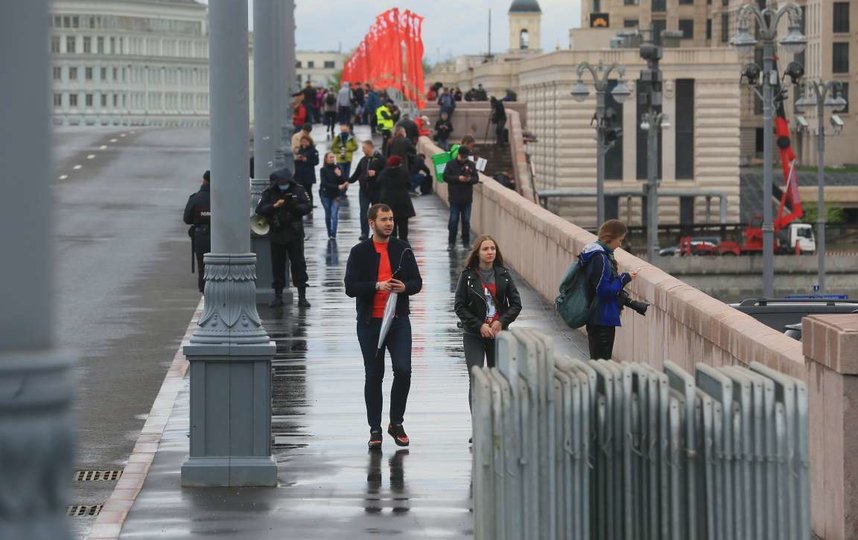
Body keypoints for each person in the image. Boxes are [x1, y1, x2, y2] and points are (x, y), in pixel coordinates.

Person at [344, 203, 423, 449]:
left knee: (403, 370)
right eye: (384, 220)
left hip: (398, 321)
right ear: (372, 223)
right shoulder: (359, 252)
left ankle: (396, 422)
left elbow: (416, 282)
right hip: (370, 323)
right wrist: (377, 286)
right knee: (374, 375)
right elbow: (350, 287)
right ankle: (375, 429)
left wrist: (404, 287)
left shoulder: (403, 249)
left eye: (391, 219)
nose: (389, 223)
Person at [454, 235, 522, 409]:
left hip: (498, 334)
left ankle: (496, 424)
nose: (490, 252)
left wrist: (501, 322)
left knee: (498, 379)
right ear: (477, 253)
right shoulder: (468, 276)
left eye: (492, 248)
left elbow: (516, 304)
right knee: (476, 378)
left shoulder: (503, 275)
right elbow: (459, 306)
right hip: (474, 334)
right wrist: (479, 325)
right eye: (485, 249)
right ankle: (478, 426)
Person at [579, 219, 639, 359]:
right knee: (602, 364)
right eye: (619, 240)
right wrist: (624, 278)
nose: (620, 244)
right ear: (609, 238)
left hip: (597, 317)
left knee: (598, 363)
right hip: (602, 318)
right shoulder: (600, 258)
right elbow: (604, 290)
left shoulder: (594, 253)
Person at [256, 168, 312, 308]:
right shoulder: (269, 192)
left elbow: (307, 207)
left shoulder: (298, 190)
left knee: (298, 264)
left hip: (294, 233)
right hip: (277, 232)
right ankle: (278, 296)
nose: (283, 184)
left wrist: (293, 205)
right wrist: (275, 206)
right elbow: (260, 209)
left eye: (285, 182)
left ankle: (302, 296)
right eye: (281, 182)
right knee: (277, 266)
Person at [442, 146, 480, 251]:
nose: (463, 159)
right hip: (454, 197)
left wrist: (469, 179)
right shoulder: (451, 164)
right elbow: (445, 177)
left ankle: (466, 243)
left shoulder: (471, 165)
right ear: (458, 154)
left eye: (465, 157)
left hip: (467, 198)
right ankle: (451, 242)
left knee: (466, 221)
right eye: (462, 156)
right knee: (453, 220)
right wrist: (458, 178)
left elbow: (476, 178)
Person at [350, 140, 385, 241]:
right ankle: (364, 233)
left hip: (376, 190)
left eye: (364, 148)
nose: (362, 150)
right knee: (363, 211)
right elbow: (356, 174)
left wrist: (376, 173)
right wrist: (346, 182)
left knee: (377, 213)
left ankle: (378, 232)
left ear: (370, 147)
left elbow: (386, 171)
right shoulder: (363, 160)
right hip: (364, 190)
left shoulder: (380, 159)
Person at [183, 170, 211, 293]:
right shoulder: (223, 197)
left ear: (204, 180)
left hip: (201, 235)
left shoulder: (195, 198)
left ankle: (204, 290)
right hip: (221, 235)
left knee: (202, 266)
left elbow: (187, 219)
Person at [377, 156, 415, 242]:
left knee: (391, 227)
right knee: (403, 229)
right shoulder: (403, 172)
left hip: (388, 203)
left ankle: (393, 246)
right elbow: (409, 185)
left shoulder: (384, 173)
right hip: (402, 203)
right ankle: (404, 246)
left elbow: (378, 183)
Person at [319, 151, 348, 239]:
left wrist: (339, 175)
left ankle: (333, 234)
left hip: (336, 196)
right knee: (328, 214)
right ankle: (329, 232)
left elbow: (343, 182)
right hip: (326, 195)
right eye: (330, 157)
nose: (332, 159)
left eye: (333, 157)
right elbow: (324, 183)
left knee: (334, 215)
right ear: (326, 159)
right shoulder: (323, 170)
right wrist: (337, 186)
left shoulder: (337, 168)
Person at [294, 134, 319, 208]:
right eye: (302, 142)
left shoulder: (313, 150)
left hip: (308, 174)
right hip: (299, 174)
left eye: (305, 141)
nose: (304, 143)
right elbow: (295, 161)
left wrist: (306, 160)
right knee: (300, 190)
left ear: (309, 142)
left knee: (308, 190)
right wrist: (297, 159)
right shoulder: (300, 150)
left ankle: (310, 204)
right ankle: (301, 203)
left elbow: (316, 162)